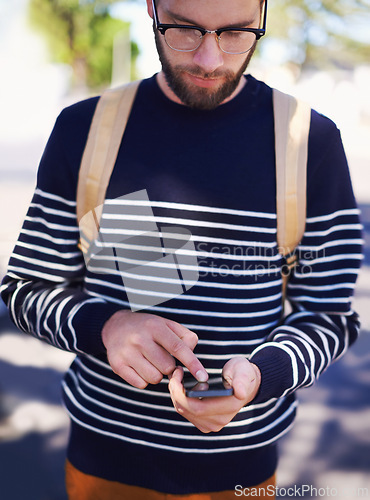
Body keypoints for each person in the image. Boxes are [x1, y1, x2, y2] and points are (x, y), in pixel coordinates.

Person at [0, 0, 363, 498]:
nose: (211, 60)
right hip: (104, 465)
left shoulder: (310, 141)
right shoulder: (84, 129)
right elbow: (26, 288)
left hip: (242, 473)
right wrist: (106, 326)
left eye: (237, 32)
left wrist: (264, 373)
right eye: (185, 30)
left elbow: (329, 315)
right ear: (151, 7)